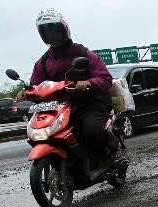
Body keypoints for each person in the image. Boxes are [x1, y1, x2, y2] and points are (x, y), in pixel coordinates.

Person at [23, 9, 121, 161]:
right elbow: (35, 84)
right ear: (43, 35)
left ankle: (114, 146)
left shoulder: (83, 53)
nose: (52, 36)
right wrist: (27, 92)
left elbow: (105, 77)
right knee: (43, 132)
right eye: (47, 33)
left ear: (64, 30)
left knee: (92, 129)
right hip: (60, 106)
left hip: (90, 102)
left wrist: (88, 83)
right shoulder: (43, 61)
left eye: (55, 31)